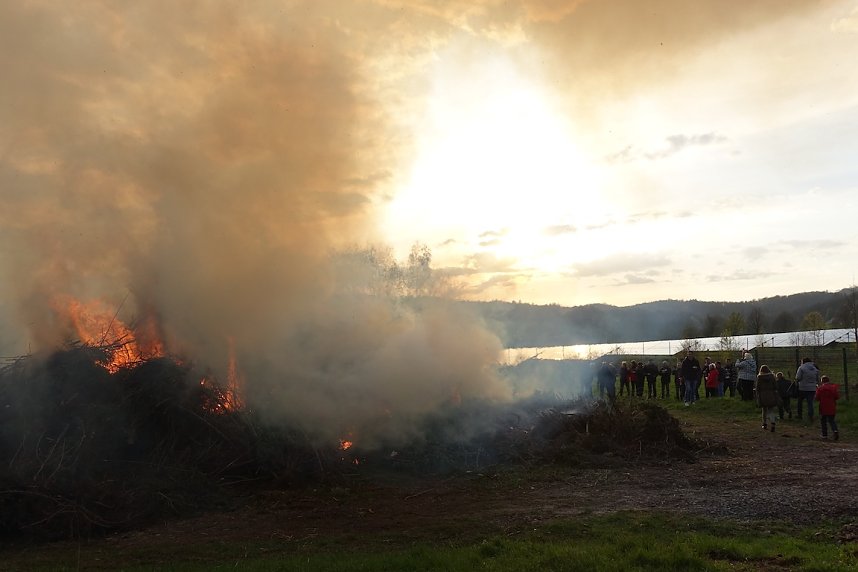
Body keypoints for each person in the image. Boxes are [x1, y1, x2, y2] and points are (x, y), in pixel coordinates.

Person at [755, 364, 780, 432]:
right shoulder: (772, 377)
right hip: (771, 394)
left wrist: (757, 395)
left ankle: (764, 424)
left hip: (762, 395)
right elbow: (776, 386)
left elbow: (757, 388)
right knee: (771, 410)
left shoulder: (759, 377)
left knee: (764, 410)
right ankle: (773, 423)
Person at [795, 357, 820, 424]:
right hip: (812, 388)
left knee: (800, 402)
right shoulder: (815, 368)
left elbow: (798, 377)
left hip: (803, 387)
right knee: (810, 403)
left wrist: (798, 382)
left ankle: (799, 415)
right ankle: (810, 416)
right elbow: (818, 379)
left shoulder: (801, 368)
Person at [815, 375, 840, 440]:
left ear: (822, 381)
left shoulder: (820, 389)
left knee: (823, 421)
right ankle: (835, 430)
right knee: (832, 420)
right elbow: (837, 397)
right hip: (832, 406)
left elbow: (817, 398)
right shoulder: (833, 388)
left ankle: (824, 435)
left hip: (823, 407)